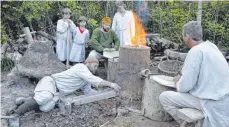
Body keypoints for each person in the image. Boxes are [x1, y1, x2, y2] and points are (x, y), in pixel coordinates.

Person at [159, 21, 229, 127]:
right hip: (224, 100)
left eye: (183, 35)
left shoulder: (196, 51)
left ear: (187, 36)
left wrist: (178, 82)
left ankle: (190, 125)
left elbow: (185, 87)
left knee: (164, 97)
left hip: (210, 102)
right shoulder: (212, 47)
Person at [10, 57, 121, 117]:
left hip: (57, 93)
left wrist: (103, 94)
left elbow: (88, 92)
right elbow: (95, 80)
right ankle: (16, 114)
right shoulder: (81, 67)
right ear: (88, 63)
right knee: (46, 96)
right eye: (95, 65)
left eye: (97, 66)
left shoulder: (85, 78)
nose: (96, 68)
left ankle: (27, 101)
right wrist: (111, 84)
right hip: (51, 83)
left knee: (46, 108)